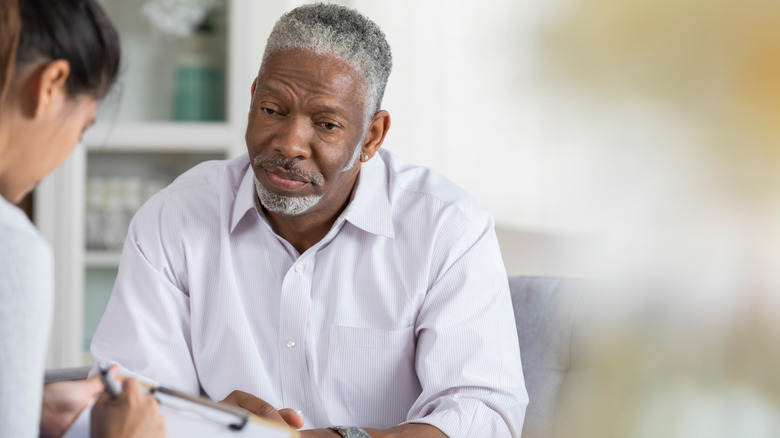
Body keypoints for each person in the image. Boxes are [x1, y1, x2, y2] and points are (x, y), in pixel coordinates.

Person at [90, 3, 527, 437]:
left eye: (326, 124)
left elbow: (483, 415)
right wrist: (212, 424)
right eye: (273, 110)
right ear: (253, 96)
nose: (289, 143)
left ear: (371, 136)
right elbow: (128, 398)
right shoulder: (174, 218)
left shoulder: (448, 229)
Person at [0, 0, 164, 437]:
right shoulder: (10, 248)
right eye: (83, 128)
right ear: (51, 84)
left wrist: (24, 403)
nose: (69, 148)